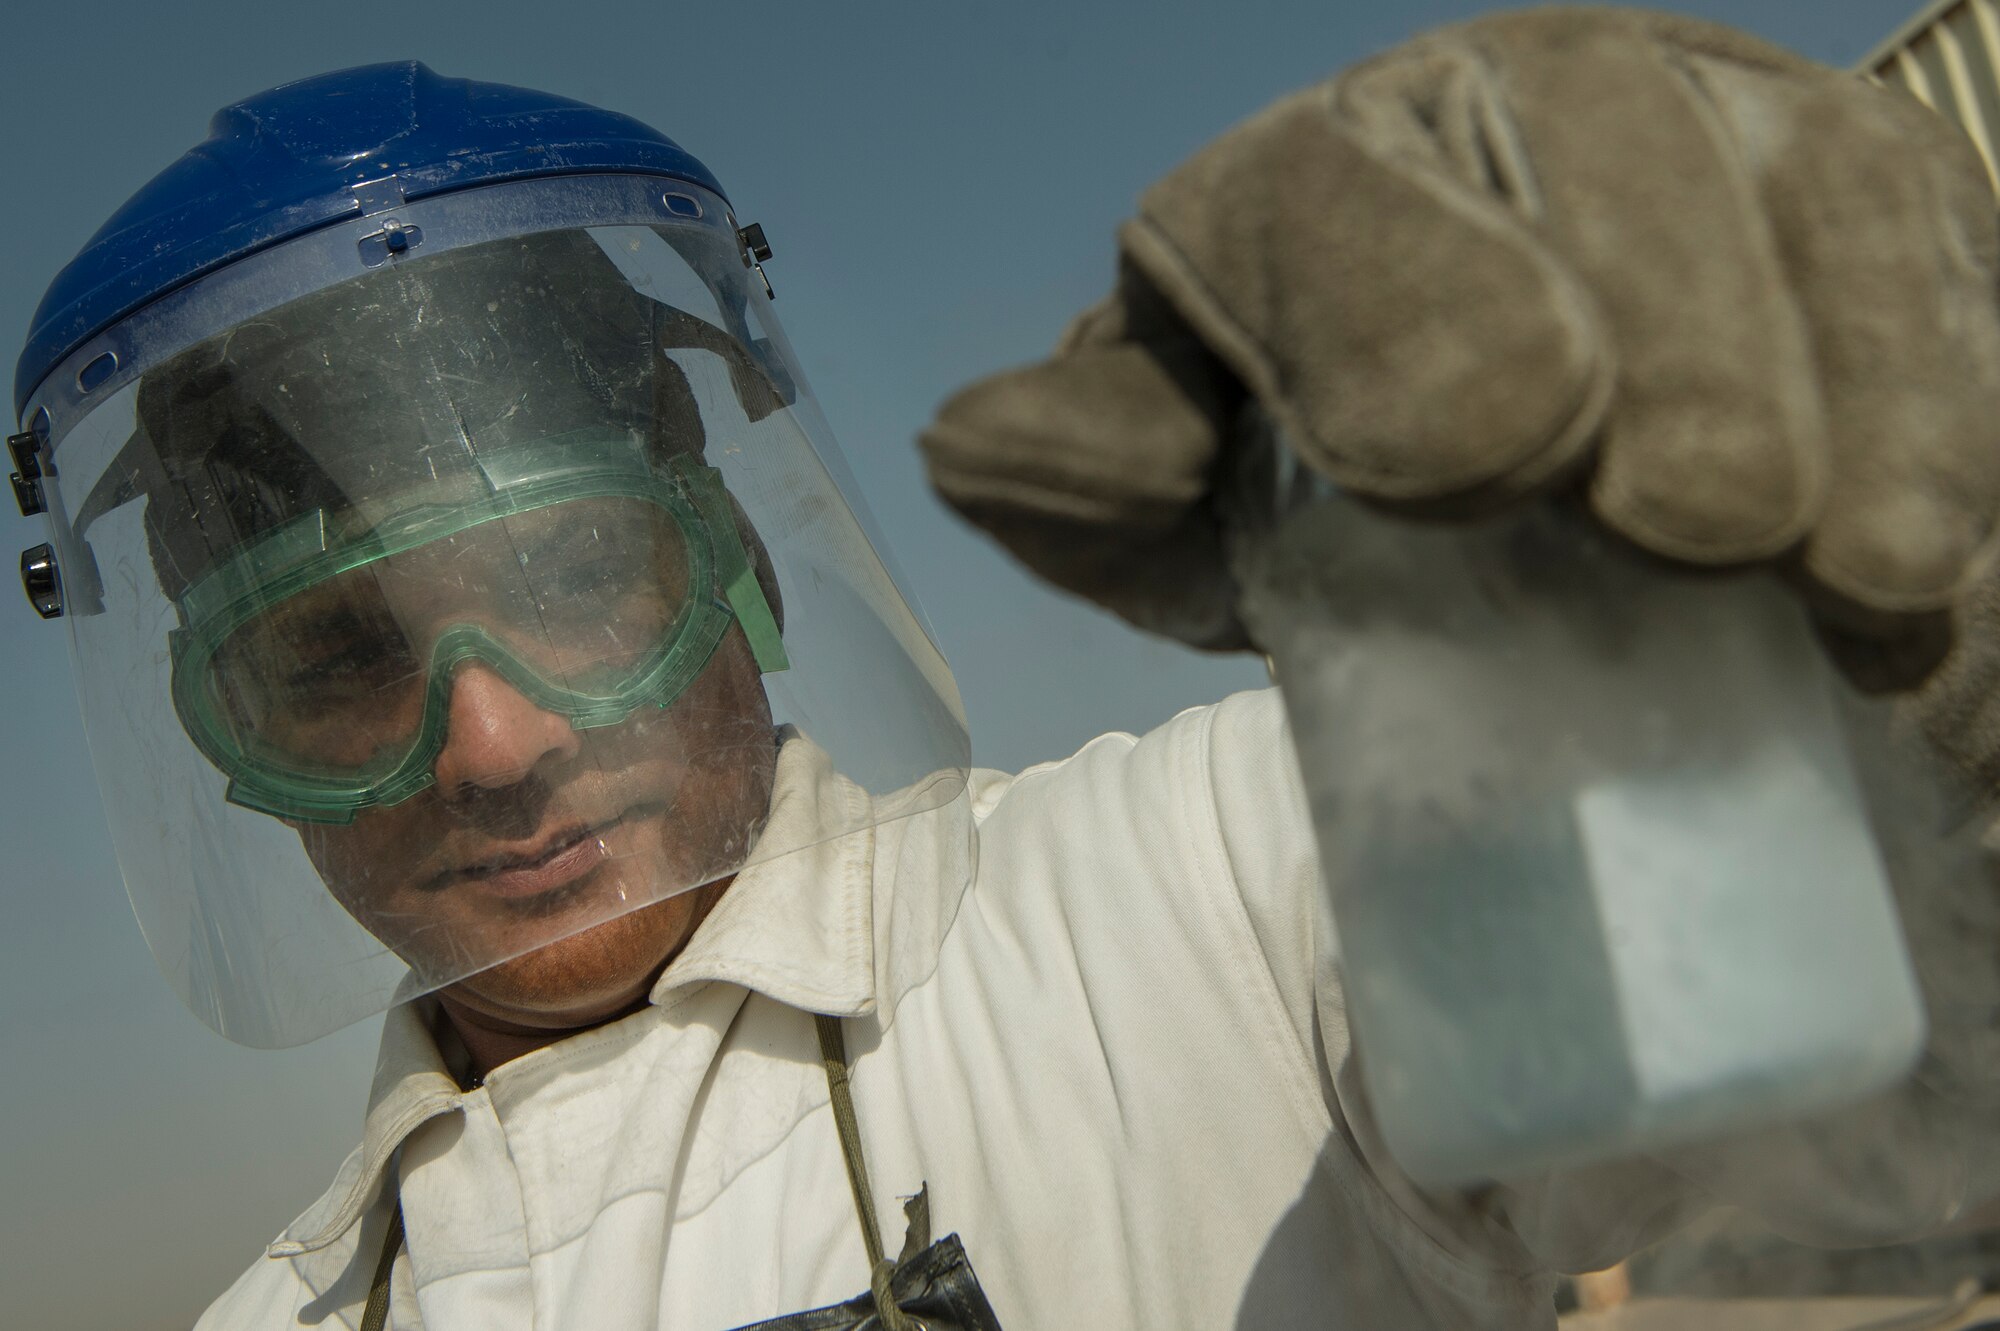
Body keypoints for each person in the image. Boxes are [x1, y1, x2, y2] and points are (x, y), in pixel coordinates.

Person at [11, 9, 2000, 1329]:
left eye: (567, 576)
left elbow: (1907, 1033)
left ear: (731, 566)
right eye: (338, 661)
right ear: (230, 745)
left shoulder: (1219, 895)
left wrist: (1860, 665)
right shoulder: (288, 1318)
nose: (498, 738)